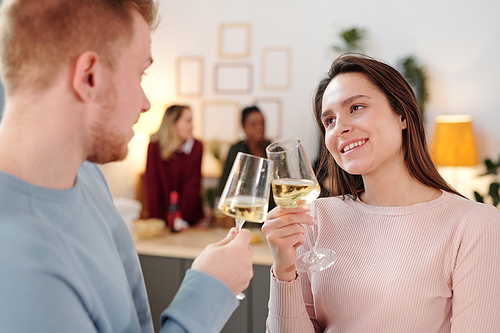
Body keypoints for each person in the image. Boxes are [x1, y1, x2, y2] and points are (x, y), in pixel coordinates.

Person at [0, 1, 253, 332]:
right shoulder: (19, 262)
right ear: (89, 77)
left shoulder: (88, 176)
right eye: (140, 74)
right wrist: (208, 290)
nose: (146, 103)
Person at [262, 54, 500, 332]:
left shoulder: (474, 223)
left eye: (357, 107)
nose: (340, 127)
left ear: (401, 114)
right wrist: (284, 270)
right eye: (329, 120)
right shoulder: (315, 219)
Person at [144, 105, 204, 231]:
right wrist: (156, 221)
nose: (192, 126)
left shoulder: (197, 147)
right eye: (188, 121)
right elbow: (152, 185)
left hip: (190, 221)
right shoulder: (154, 147)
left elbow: (192, 186)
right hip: (162, 219)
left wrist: (182, 220)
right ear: (172, 124)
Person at [218, 105, 276, 210]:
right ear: (244, 127)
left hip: (270, 212)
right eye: (253, 124)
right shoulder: (237, 150)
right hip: (242, 210)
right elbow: (225, 184)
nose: (259, 128)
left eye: (262, 124)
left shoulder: (272, 150)